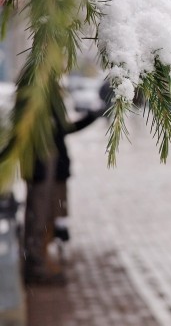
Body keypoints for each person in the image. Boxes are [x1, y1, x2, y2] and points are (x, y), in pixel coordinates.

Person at [23, 105, 100, 284]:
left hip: (51, 168)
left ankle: (40, 263)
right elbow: (55, 130)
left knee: (49, 216)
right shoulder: (38, 91)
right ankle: (37, 267)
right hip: (43, 167)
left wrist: (90, 118)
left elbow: (60, 129)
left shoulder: (47, 93)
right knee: (41, 217)